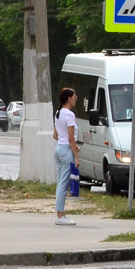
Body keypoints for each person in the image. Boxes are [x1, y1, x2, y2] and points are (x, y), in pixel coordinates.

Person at [53, 87, 80, 226]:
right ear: (69, 98)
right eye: (74, 96)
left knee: (60, 183)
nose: (76, 98)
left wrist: (70, 146)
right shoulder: (69, 115)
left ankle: (60, 213)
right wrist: (76, 156)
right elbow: (71, 138)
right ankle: (60, 215)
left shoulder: (58, 112)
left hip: (59, 149)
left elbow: (55, 135)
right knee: (64, 184)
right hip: (66, 150)